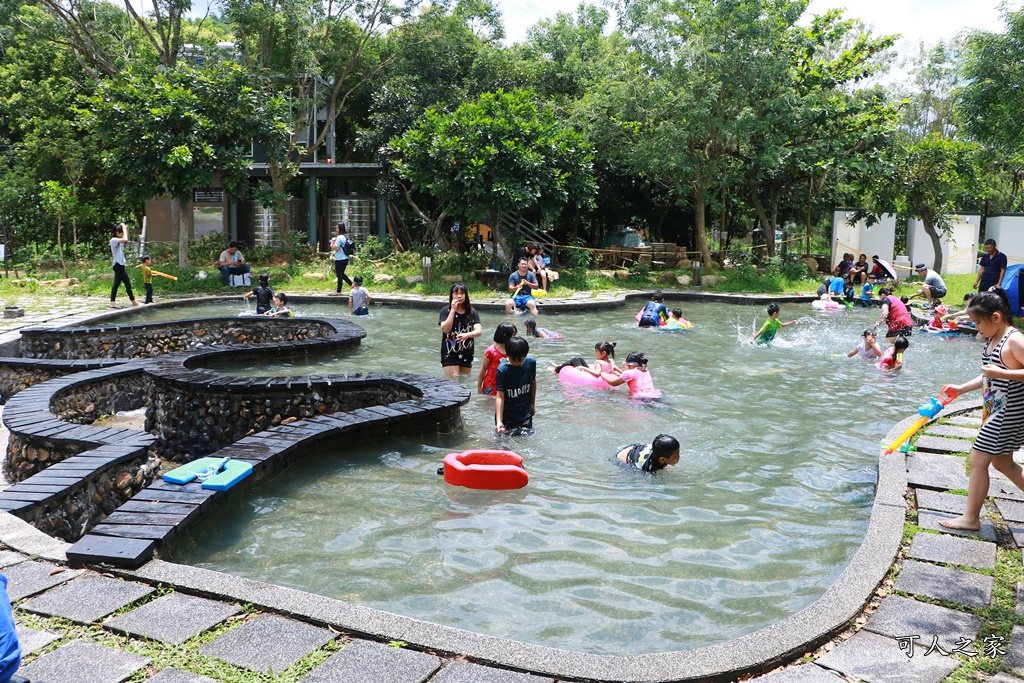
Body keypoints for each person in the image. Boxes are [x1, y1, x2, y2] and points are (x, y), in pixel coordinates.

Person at [939, 289, 1024, 531]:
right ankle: (971, 517)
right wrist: (961, 389)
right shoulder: (993, 339)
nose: (976, 329)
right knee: (1003, 463)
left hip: (1007, 413)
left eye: (977, 323)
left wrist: (1002, 373)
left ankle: (971, 518)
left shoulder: (1014, 340)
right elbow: (988, 376)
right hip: (995, 410)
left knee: (977, 460)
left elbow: (998, 373)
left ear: (996, 317)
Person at [495, 336, 537, 434]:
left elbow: (533, 383)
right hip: (507, 414)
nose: (518, 363)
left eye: (521, 359)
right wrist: (499, 421)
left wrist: (532, 405)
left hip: (525, 412)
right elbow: (499, 396)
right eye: (514, 360)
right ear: (508, 355)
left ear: (525, 355)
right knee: (503, 439)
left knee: (526, 438)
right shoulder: (502, 369)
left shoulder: (531, 363)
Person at [440, 283, 482, 378]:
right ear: (451, 295)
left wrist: (467, 335)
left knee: (464, 382)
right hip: (449, 352)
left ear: (466, 295)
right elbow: (446, 329)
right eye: (456, 293)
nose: (459, 296)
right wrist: (452, 310)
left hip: (466, 351)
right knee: (453, 382)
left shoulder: (472, 312)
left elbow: (478, 331)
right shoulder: (445, 311)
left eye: (462, 293)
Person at [478, 322, 517, 395]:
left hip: (507, 385)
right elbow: (483, 369)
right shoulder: (491, 350)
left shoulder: (513, 350)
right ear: (505, 335)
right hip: (491, 385)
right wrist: (479, 386)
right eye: (512, 334)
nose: (514, 337)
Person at [109, 223, 141, 308]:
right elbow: (125, 239)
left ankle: (112, 302)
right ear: (117, 232)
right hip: (118, 265)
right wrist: (123, 228)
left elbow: (126, 239)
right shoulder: (114, 240)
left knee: (116, 284)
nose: (122, 234)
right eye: (121, 232)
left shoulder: (118, 241)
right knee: (127, 283)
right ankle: (133, 302)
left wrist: (125, 229)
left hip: (120, 265)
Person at [615, 434, 681, 473]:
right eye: (676, 456)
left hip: (635, 448)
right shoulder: (648, 468)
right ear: (662, 459)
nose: (679, 456)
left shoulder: (660, 449)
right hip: (622, 458)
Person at [552, 341, 620, 377]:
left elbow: (597, 373)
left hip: (588, 376)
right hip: (595, 375)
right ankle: (560, 366)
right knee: (580, 359)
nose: (595, 353)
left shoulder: (599, 362)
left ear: (603, 353)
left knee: (575, 360)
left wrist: (583, 367)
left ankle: (557, 369)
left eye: (596, 351)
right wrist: (619, 374)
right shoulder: (611, 361)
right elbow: (618, 370)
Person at [330, 222, 354, 294]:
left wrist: (331, 244)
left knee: (339, 275)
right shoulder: (346, 236)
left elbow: (336, 248)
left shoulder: (339, 237)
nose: (336, 229)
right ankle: (351, 284)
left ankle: (338, 291)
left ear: (340, 229)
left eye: (337, 228)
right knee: (341, 274)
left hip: (339, 258)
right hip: (345, 258)